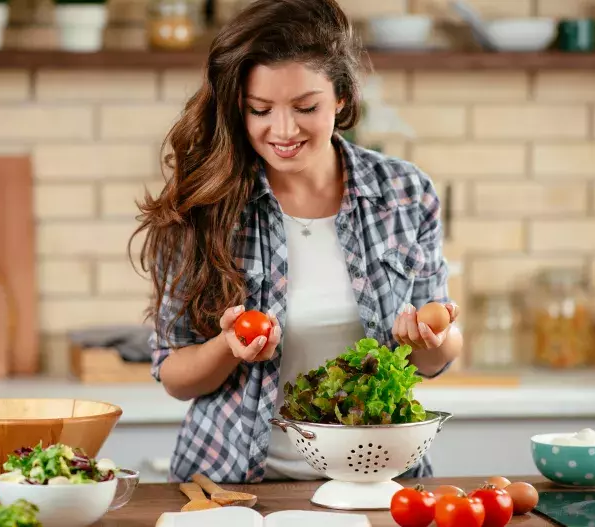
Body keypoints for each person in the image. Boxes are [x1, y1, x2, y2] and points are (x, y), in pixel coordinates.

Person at [129, 0, 463, 484]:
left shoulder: (406, 193)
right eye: (259, 110)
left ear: (342, 97)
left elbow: (436, 357)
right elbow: (175, 376)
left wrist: (430, 338)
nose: (283, 130)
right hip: (235, 488)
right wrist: (229, 346)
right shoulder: (204, 206)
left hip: (377, 484)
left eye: (306, 107)